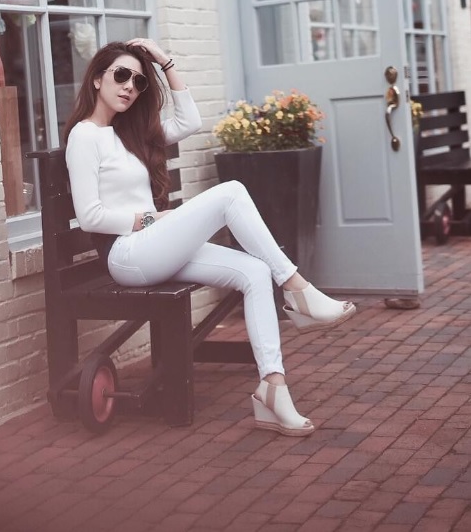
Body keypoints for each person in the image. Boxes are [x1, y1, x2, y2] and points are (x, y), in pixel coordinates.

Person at [64, 39, 357, 436]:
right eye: (121, 75)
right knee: (231, 192)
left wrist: (165, 62)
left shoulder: (128, 133)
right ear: (98, 79)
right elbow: (89, 216)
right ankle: (296, 287)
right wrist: (150, 218)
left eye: (138, 80)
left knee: (254, 272)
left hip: (154, 247)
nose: (130, 86)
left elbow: (190, 122)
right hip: (127, 255)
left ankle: (273, 390)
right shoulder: (84, 137)